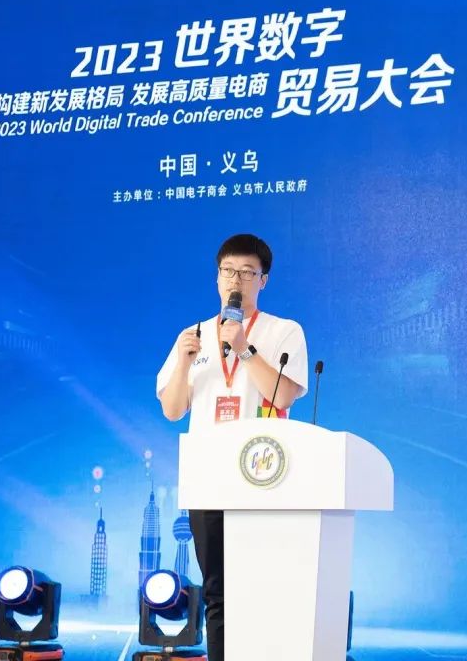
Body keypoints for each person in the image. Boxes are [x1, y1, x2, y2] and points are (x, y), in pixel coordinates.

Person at [156, 233, 308, 661]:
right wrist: (184, 363)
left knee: (262, 588)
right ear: (217, 277)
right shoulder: (193, 335)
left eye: (246, 272)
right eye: (228, 271)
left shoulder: (283, 331)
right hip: (208, 480)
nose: (235, 281)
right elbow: (173, 409)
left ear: (263, 280)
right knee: (217, 593)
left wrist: (243, 348)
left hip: (263, 478)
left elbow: (283, 396)